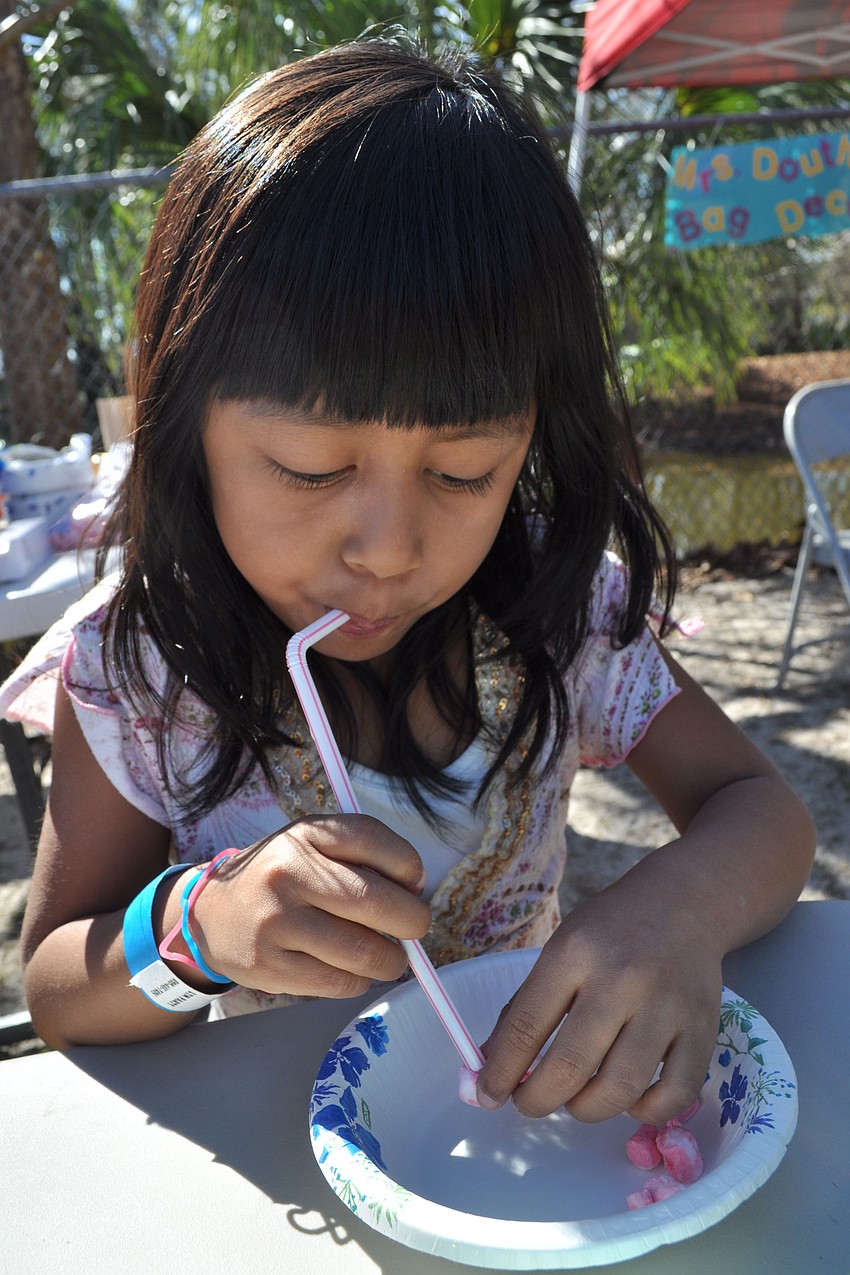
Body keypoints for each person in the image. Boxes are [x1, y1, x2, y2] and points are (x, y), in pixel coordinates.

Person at [1, 39, 814, 1126]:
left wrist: (676, 910)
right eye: (309, 468)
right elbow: (58, 987)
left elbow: (760, 810)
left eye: (462, 471)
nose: (388, 550)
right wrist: (200, 927)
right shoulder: (143, 669)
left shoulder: (560, 616)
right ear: (180, 423)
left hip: (532, 1127)